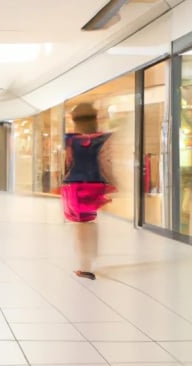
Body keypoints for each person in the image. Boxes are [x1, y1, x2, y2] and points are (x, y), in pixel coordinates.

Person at [61, 103, 116, 280]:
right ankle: (90, 259)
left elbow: (68, 162)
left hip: (75, 185)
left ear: (75, 120)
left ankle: (84, 265)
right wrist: (111, 182)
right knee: (89, 221)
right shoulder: (102, 139)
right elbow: (106, 162)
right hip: (95, 184)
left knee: (79, 225)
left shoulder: (70, 139)